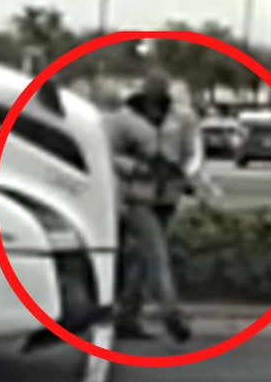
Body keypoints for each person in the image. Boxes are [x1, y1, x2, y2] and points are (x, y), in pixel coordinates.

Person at [103, 68, 199, 343]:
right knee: (157, 253)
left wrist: (184, 175)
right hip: (138, 195)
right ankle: (172, 313)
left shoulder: (181, 118)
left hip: (169, 194)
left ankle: (127, 315)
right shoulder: (124, 119)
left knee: (143, 259)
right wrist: (136, 168)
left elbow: (192, 152)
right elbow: (109, 152)